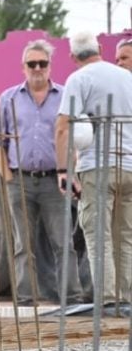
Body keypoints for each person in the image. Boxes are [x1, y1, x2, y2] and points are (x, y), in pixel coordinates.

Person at [0, 40, 86, 305]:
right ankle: (25, 298)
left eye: (42, 63)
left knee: (63, 242)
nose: (37, 68)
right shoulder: (8, 98)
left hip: (54, 181)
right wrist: (8, 178)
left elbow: (75, 137)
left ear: (49, 66)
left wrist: (71, 172)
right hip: (19, 180)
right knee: (24, 244)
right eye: (31, 63)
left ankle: (72, 296)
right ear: (23, 67)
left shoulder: (66, 96)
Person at [56, 32, 132, 307]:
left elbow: (64, 126)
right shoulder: (128, 77)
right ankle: (127, 299)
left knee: (99, 235)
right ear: (100, 48)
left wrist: (64, 172)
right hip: (129, 166)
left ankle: (108, 300)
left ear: (72, 57)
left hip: (97, 167)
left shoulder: (79, 79)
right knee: (125, 236)